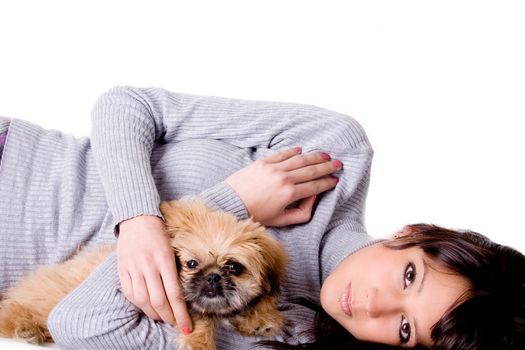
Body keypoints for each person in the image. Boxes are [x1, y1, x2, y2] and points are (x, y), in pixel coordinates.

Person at [0, 87, 523, 349]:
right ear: (413, 235)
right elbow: (128, 105)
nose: (373, 304)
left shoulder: (269, 331)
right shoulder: (333, 153)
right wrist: (136, 219)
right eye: (410, 276)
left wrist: (232, 203)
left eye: (406, 329)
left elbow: (78, 325)